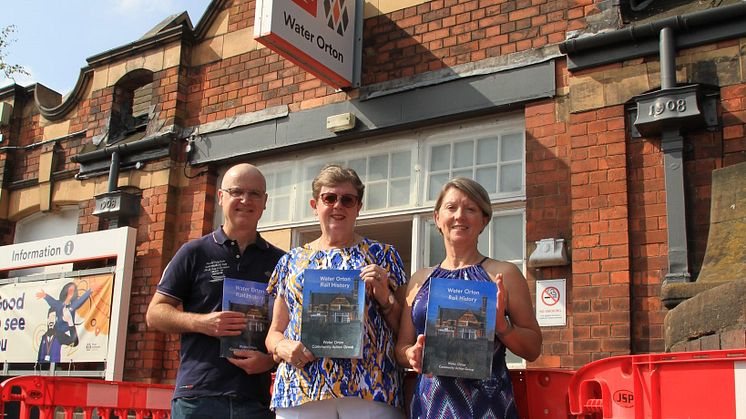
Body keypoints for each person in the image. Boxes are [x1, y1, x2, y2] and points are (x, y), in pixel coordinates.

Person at [265, 164, 407, 419]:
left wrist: (386, 299)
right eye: (329, 198)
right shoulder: (291, 261)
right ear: (315, 204)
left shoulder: (384, 256)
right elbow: (273, 332)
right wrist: (283, 346)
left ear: (358, 207)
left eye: (347, 199)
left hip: (371, 389)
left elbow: (406, 330)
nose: (338, 205)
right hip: (302, 388)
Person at [146, 163, 285, 419]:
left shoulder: (281, 261)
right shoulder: (194, 252)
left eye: (254, 193)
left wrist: (270, 360)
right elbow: (155, 314)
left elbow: (290, 328)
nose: (245, 199)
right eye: (237, 192)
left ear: (264, 202)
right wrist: (203, 323)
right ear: (221, 197)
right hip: (198, 397)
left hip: (255, 400)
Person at [396, 177, 542, 419]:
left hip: (487, 407)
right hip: (430, 407)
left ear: (484, 220)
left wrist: (502, 327)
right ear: (437, 218)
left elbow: (533, 348)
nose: (459, 216)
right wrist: (410, 354)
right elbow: (400, 347)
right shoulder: (420, 279)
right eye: (451, 207)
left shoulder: (503, 274)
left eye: (471, 209)